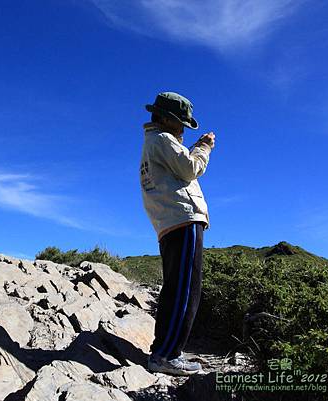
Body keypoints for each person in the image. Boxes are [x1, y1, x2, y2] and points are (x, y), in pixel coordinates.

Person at [140, 92, 215, 376]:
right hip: (183, 219)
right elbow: (190, 168)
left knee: (176, 289)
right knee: (186, 291)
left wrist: (189, 146)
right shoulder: (163, 140)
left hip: (169, 222)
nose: (183, 128)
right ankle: (167, 355)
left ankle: (164, 350)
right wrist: (204, 148)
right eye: (179, 122)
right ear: (164, 119)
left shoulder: (155, 142)